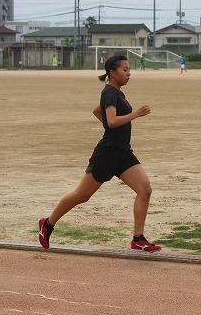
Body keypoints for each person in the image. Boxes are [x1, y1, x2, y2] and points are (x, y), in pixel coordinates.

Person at [38, 54, 161, 252]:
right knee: (81, 196)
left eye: (129, 70)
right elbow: (111, 121)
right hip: (107, 153)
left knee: (144, 189)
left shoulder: (117, 93)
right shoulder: (110, 93)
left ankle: (138, 239)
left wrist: (116, 122)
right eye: (125, 70)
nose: (129, 74)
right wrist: (136, 114)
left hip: (123, 153)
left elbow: (98, 111)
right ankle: (47, 224)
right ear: (113, 73)